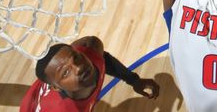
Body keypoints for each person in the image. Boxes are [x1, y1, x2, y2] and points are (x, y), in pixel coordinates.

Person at [20, 36, 159, 112]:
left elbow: (102, 59)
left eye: (76, 57)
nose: (78, 68)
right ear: (56, 88)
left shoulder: (91, 48)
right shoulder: (60, 109)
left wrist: (133, 80)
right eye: (66, 72)